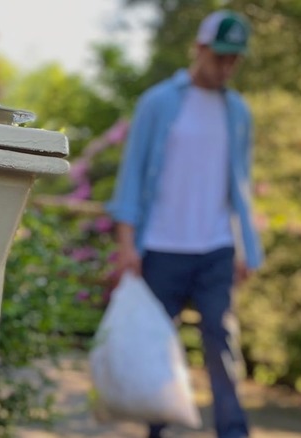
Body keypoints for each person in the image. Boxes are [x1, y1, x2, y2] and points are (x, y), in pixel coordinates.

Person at [106, 10, 263, 438]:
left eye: (235, 60)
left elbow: (240, 187)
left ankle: (233, 432)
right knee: (158, 348)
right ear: (199, 49)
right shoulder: (158, 102)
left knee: (221, 342)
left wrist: (246, 247)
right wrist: (127, 245)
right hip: (161, 248)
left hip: (216, 248)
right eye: (220, 57)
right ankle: (156, 429)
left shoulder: (238, 112)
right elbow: (132, 176)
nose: (227, 67)